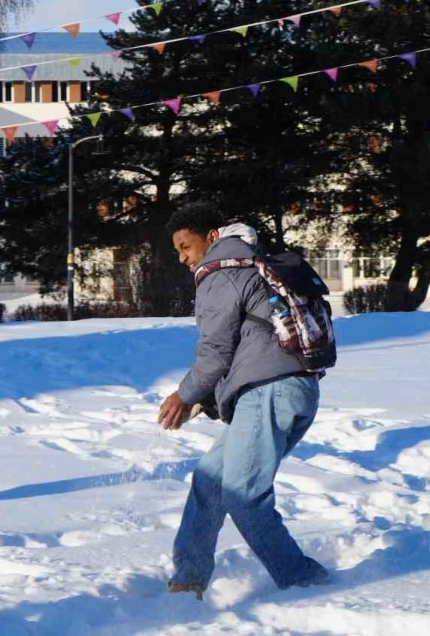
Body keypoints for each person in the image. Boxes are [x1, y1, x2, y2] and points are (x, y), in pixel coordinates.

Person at [159, 203, 328, 598]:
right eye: (177, 251)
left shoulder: (220, 272)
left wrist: (184, 395)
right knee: (210, 481)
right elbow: (247, 346)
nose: (182, 258)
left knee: (244, 495)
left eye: (185, 247)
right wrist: (208, 398)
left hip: (269, 392)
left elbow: (215, 352)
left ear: (212, 237)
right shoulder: (252, 263)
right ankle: (188, 580)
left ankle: (306, 583)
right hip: (289, 389)